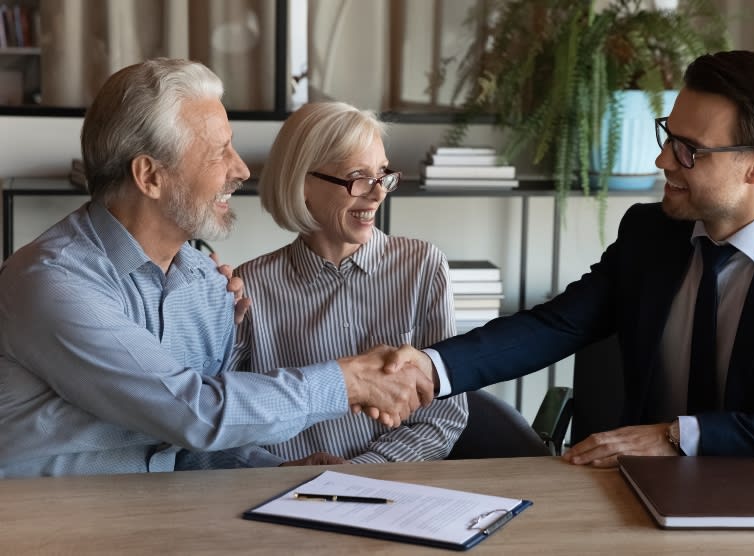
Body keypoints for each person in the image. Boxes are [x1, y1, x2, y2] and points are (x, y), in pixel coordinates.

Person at [385, 50, 754, 470]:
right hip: (636, 494)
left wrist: (677, 437)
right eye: (668, 136)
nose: (663, 161)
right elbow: (554, 325)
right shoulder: (650, 235)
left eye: (690, 151)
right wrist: (432, 367)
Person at [0, 58, 432, 478]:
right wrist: (348, 381)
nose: (241, 169)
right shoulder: (52, 283)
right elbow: (194, 413)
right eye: (218, 152)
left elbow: (186, 448)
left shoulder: (207, 284)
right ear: (149, 176)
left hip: (159, 521)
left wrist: (275, 472)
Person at [226, 102, 467, 465]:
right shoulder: (250, 286)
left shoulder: (422, 266)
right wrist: (278, 469)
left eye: (382, 174)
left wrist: (361, 471)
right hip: (281, 492)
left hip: (395, 493)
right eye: (359, 176)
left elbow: (444, 416)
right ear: (303, 182)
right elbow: (224, 417)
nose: (378, 193)